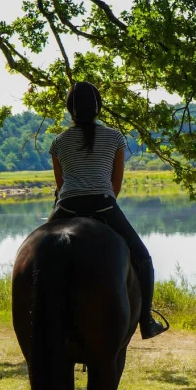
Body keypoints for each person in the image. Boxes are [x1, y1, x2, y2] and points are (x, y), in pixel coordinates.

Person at [48, 81, 169, 339]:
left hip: (67, 206)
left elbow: (61, 186)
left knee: (34, 249)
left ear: (70, 109)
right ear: (98, 108)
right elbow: (116, 185)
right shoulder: (115, 137)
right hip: (103, 205)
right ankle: (146, 322)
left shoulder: (58, 142)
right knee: (143, 258)